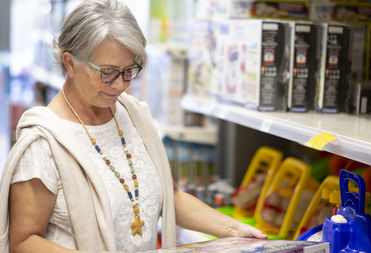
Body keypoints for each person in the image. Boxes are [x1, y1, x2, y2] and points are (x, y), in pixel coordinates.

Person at [0, 0, 267, 252]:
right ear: (70, 63)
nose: (121, 84)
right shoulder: (44, 144)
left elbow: (169, 196)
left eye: (130, 70)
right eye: (108, 72)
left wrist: (234, 229)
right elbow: (24, 241)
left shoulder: (134, 116)